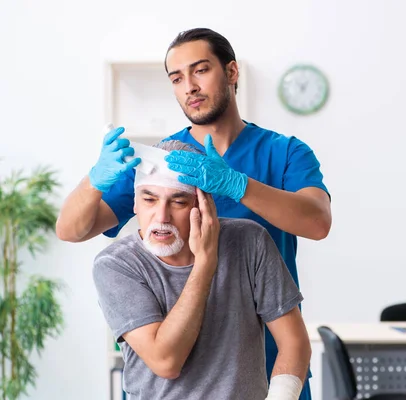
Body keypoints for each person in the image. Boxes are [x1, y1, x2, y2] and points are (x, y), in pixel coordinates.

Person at [56, 27, 331, 399]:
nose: (190, 86)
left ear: (232, 73)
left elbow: (317, 222)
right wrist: (95, 178)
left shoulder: (285, 153)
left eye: (201, 70)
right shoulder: (160, 164)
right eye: (177, 78)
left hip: (269, 367)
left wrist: (237, 184)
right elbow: (72, 229)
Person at [93, 139, 311, 400]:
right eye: (149, 200)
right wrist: (205, 263)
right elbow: (166, 362)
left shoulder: (249, 241)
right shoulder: (116, 264)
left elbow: (294, 343)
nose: (161, 217)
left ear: (204, 205)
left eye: (178, 202)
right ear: (135, 205)